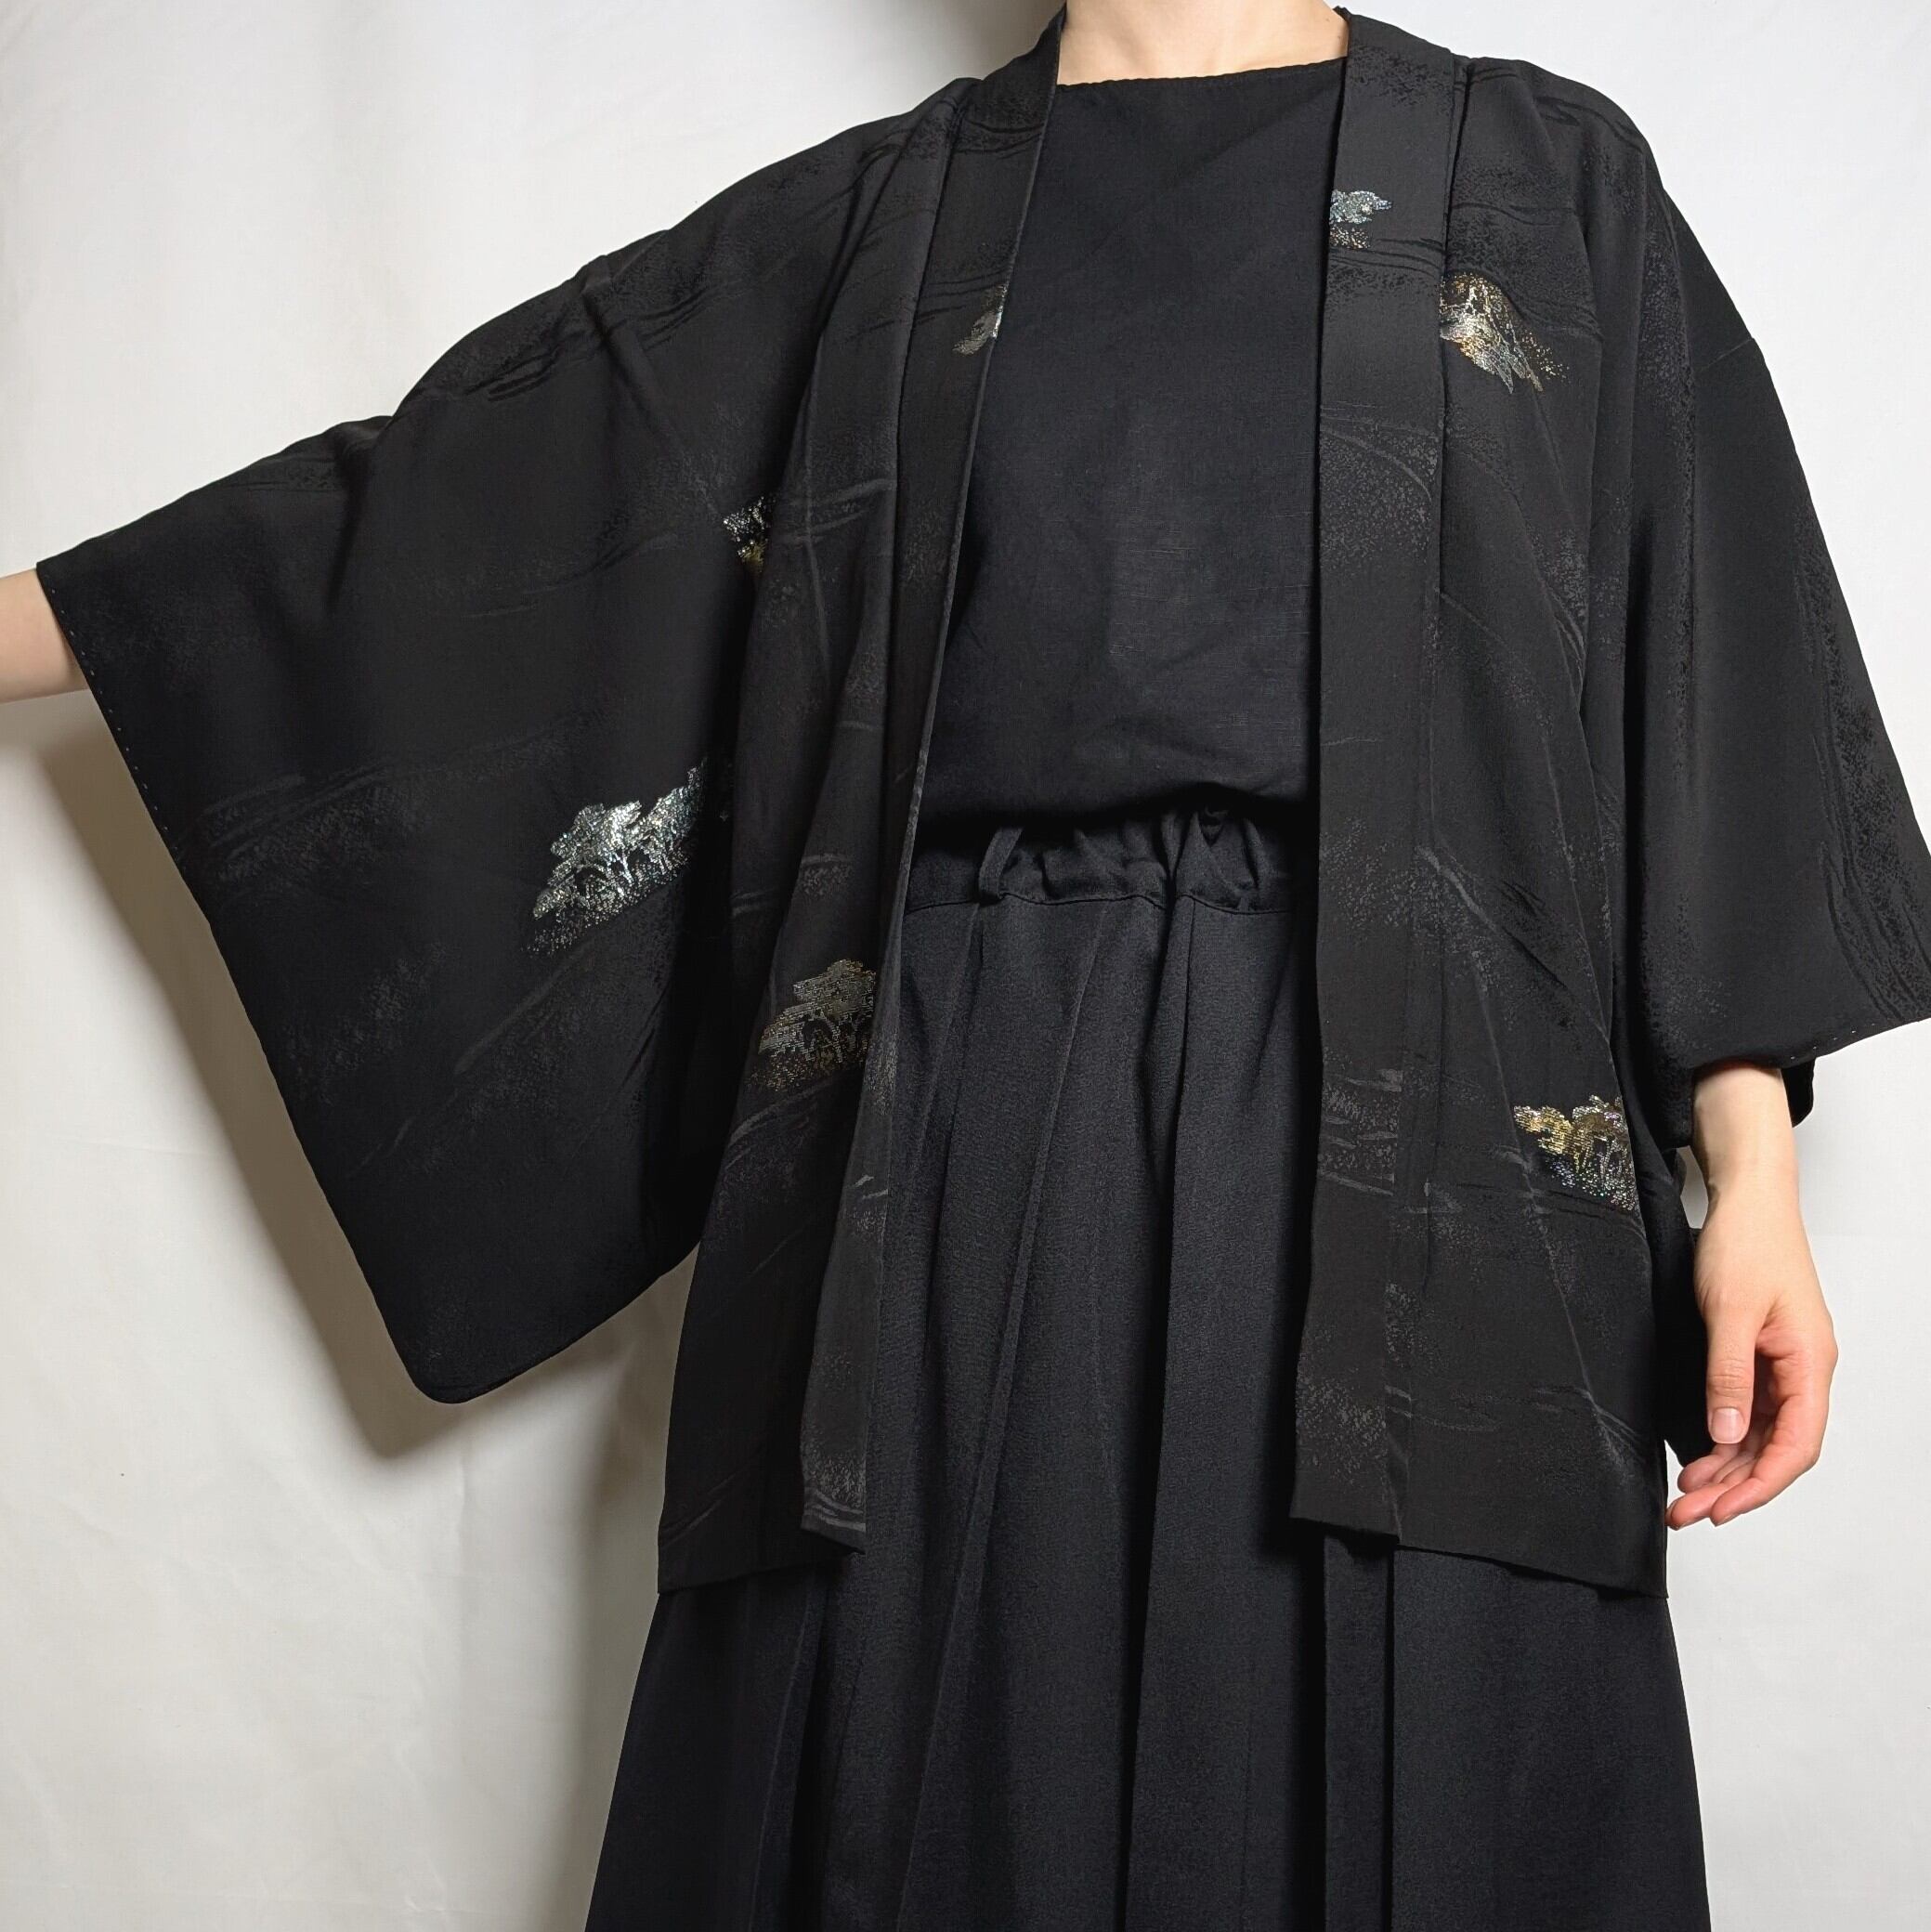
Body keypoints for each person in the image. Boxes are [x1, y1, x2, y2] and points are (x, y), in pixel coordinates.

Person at [7, 3, 1927, 1925]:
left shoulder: (1540, 175)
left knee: (1418, 1768)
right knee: (925, 1758)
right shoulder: (884, 221)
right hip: (951, 1139)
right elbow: (436, 526)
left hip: (1428, 1153)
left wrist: (1750, 1178)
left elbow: (1697, 664)